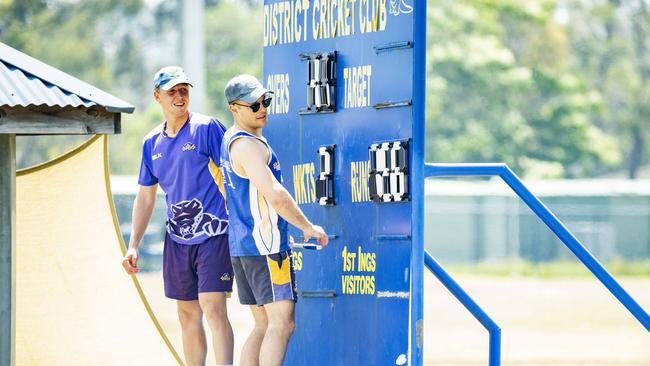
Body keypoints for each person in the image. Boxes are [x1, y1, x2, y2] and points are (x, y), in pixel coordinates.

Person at [122, 66, 234, 366]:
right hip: (177, 240)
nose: (180, 95)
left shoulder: (207, 128)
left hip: (215, 233)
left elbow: (234, 172)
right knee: (187, 313)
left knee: (213, 306)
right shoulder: (150, 144)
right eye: (172, 91)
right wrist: (133, 244)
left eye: (184, 89)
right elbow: (146, 195)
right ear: (157, 96)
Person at [220, 74, 329, 366]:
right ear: (234, 108)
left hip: (243, 247)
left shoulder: (230, 140)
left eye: (265, 101)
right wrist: (307, 226)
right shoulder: (248, 145)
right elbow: (276, 195)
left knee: (262, 325)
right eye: (254, 104)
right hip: (266, 249)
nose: (262, 108)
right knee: (282, 323)